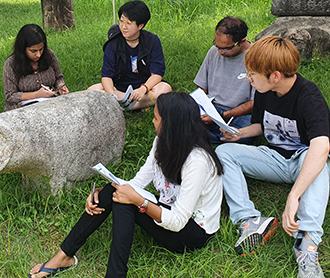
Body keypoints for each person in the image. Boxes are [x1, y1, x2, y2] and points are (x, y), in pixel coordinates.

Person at [28, 92, 223, 278]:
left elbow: (178, 220)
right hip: (168, 209)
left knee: (125, 197)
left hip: (192, 231)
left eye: (156, 119)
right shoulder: (162, 142)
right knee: (118, 192)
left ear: (171, 126)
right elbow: (137, 183)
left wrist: (139, 201)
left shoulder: (198, 161)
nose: (152, 121)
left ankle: (107, 272)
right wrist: (103, 192)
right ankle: (64, 256)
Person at [216, 36, 330, 278]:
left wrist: (294, 196)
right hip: (278, 159)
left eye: (252, 74)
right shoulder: (265, 91)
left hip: (313, 163)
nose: (249, 78)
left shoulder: (309, 96)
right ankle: (248, 221)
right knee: (223, 152)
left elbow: (321, 148)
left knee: (313, 156)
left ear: (275, 75)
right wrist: (240, 134)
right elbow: (263, 126)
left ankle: (307, 246)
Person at [88, 0, 171, 111]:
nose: (123, 27)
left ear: (140, 26)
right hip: (119, 89)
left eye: (129, 23)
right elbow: (106, 77)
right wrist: (113, 95)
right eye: (121, 21)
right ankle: (132, 104)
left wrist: (143, 89)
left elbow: (157, 74)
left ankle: (122, 107)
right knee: (93, 90)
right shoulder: (113, 44)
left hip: (143, 89)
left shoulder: (152, 41)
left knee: (165, 89)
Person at [194, 16, 255, 144]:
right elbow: (202, 89)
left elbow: (255, 103)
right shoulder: (213, 52)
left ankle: (207, 136)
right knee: (179, 120)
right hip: (212, 108)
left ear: (242, 41)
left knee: (245, 133)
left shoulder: (256, 57)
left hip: (241, 113)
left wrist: (223, 116)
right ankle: (217, 136)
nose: (221, 52)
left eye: (226, 48)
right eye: (217, 46)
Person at [3, 24, 69, 111]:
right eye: (33, 51)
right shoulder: (11, 63)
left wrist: (60, 86)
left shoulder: (49, 55)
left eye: (41, 49)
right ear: (23, 48)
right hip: (21, 109)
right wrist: (36, 94)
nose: (38, 54)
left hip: (48, 103)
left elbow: (58, 77)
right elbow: (10, 95)